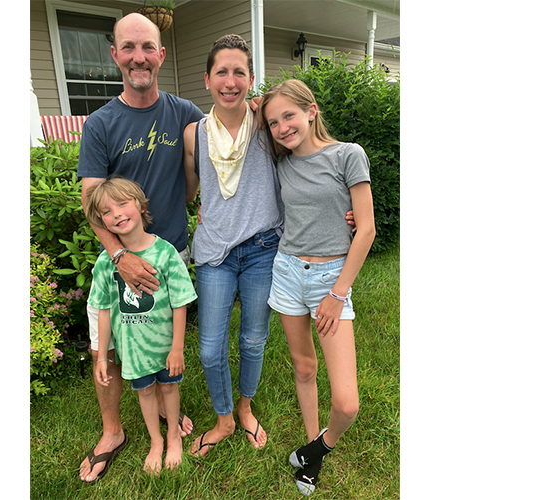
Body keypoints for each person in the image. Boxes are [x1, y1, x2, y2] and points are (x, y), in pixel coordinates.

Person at [77, 12, 204, 483]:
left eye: (147, 47)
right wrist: (120, 257)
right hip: (118, 260)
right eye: (128, 47)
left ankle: (170, 416)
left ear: (161, 54)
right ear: (115, 55)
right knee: (105, 347)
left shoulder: (185, 113)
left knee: (165, 340)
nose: (138, 57)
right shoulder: (101, 124)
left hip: (170, 253)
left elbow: (231, 137)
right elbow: (93, 203)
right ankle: (113, 431)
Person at [259, 79, 376, 496]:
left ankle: (319, 447)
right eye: (272, 122)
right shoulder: (280, 164)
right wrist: (257, 104)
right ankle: (313, 452)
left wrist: (338, 293)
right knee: (304, 368)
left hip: (331, 280)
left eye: (288, 115)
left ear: (311, 110)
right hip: (288, 273)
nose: (282, 127)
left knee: (347, 402)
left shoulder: (347, 155)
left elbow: (366, 230)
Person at [181, 34, 283, 457]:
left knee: (254, 339)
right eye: (221, 71)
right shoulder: (193, 134)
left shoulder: (267, 124)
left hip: (263, 248)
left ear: (252, 79)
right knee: (209, 347)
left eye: (239, 72)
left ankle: (244, 408)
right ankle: (222, 418)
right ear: (207, 79)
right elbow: (188, 194)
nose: (230, 80)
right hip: (214, 254)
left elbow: (307, 158)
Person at [86, 176, 198, 475]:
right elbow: (105, 311)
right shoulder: (105, 263)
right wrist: (100, 357)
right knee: (146, 393)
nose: (117, 214)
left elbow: (180, 302)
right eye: (107, 212)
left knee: (169, 389)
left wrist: (177, 348)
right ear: (102, 222)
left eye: (123, 204)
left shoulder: (165, 254)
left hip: (164, 347)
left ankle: (174, 438)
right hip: (133, 350)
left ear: (141, 205)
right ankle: (156, 441)